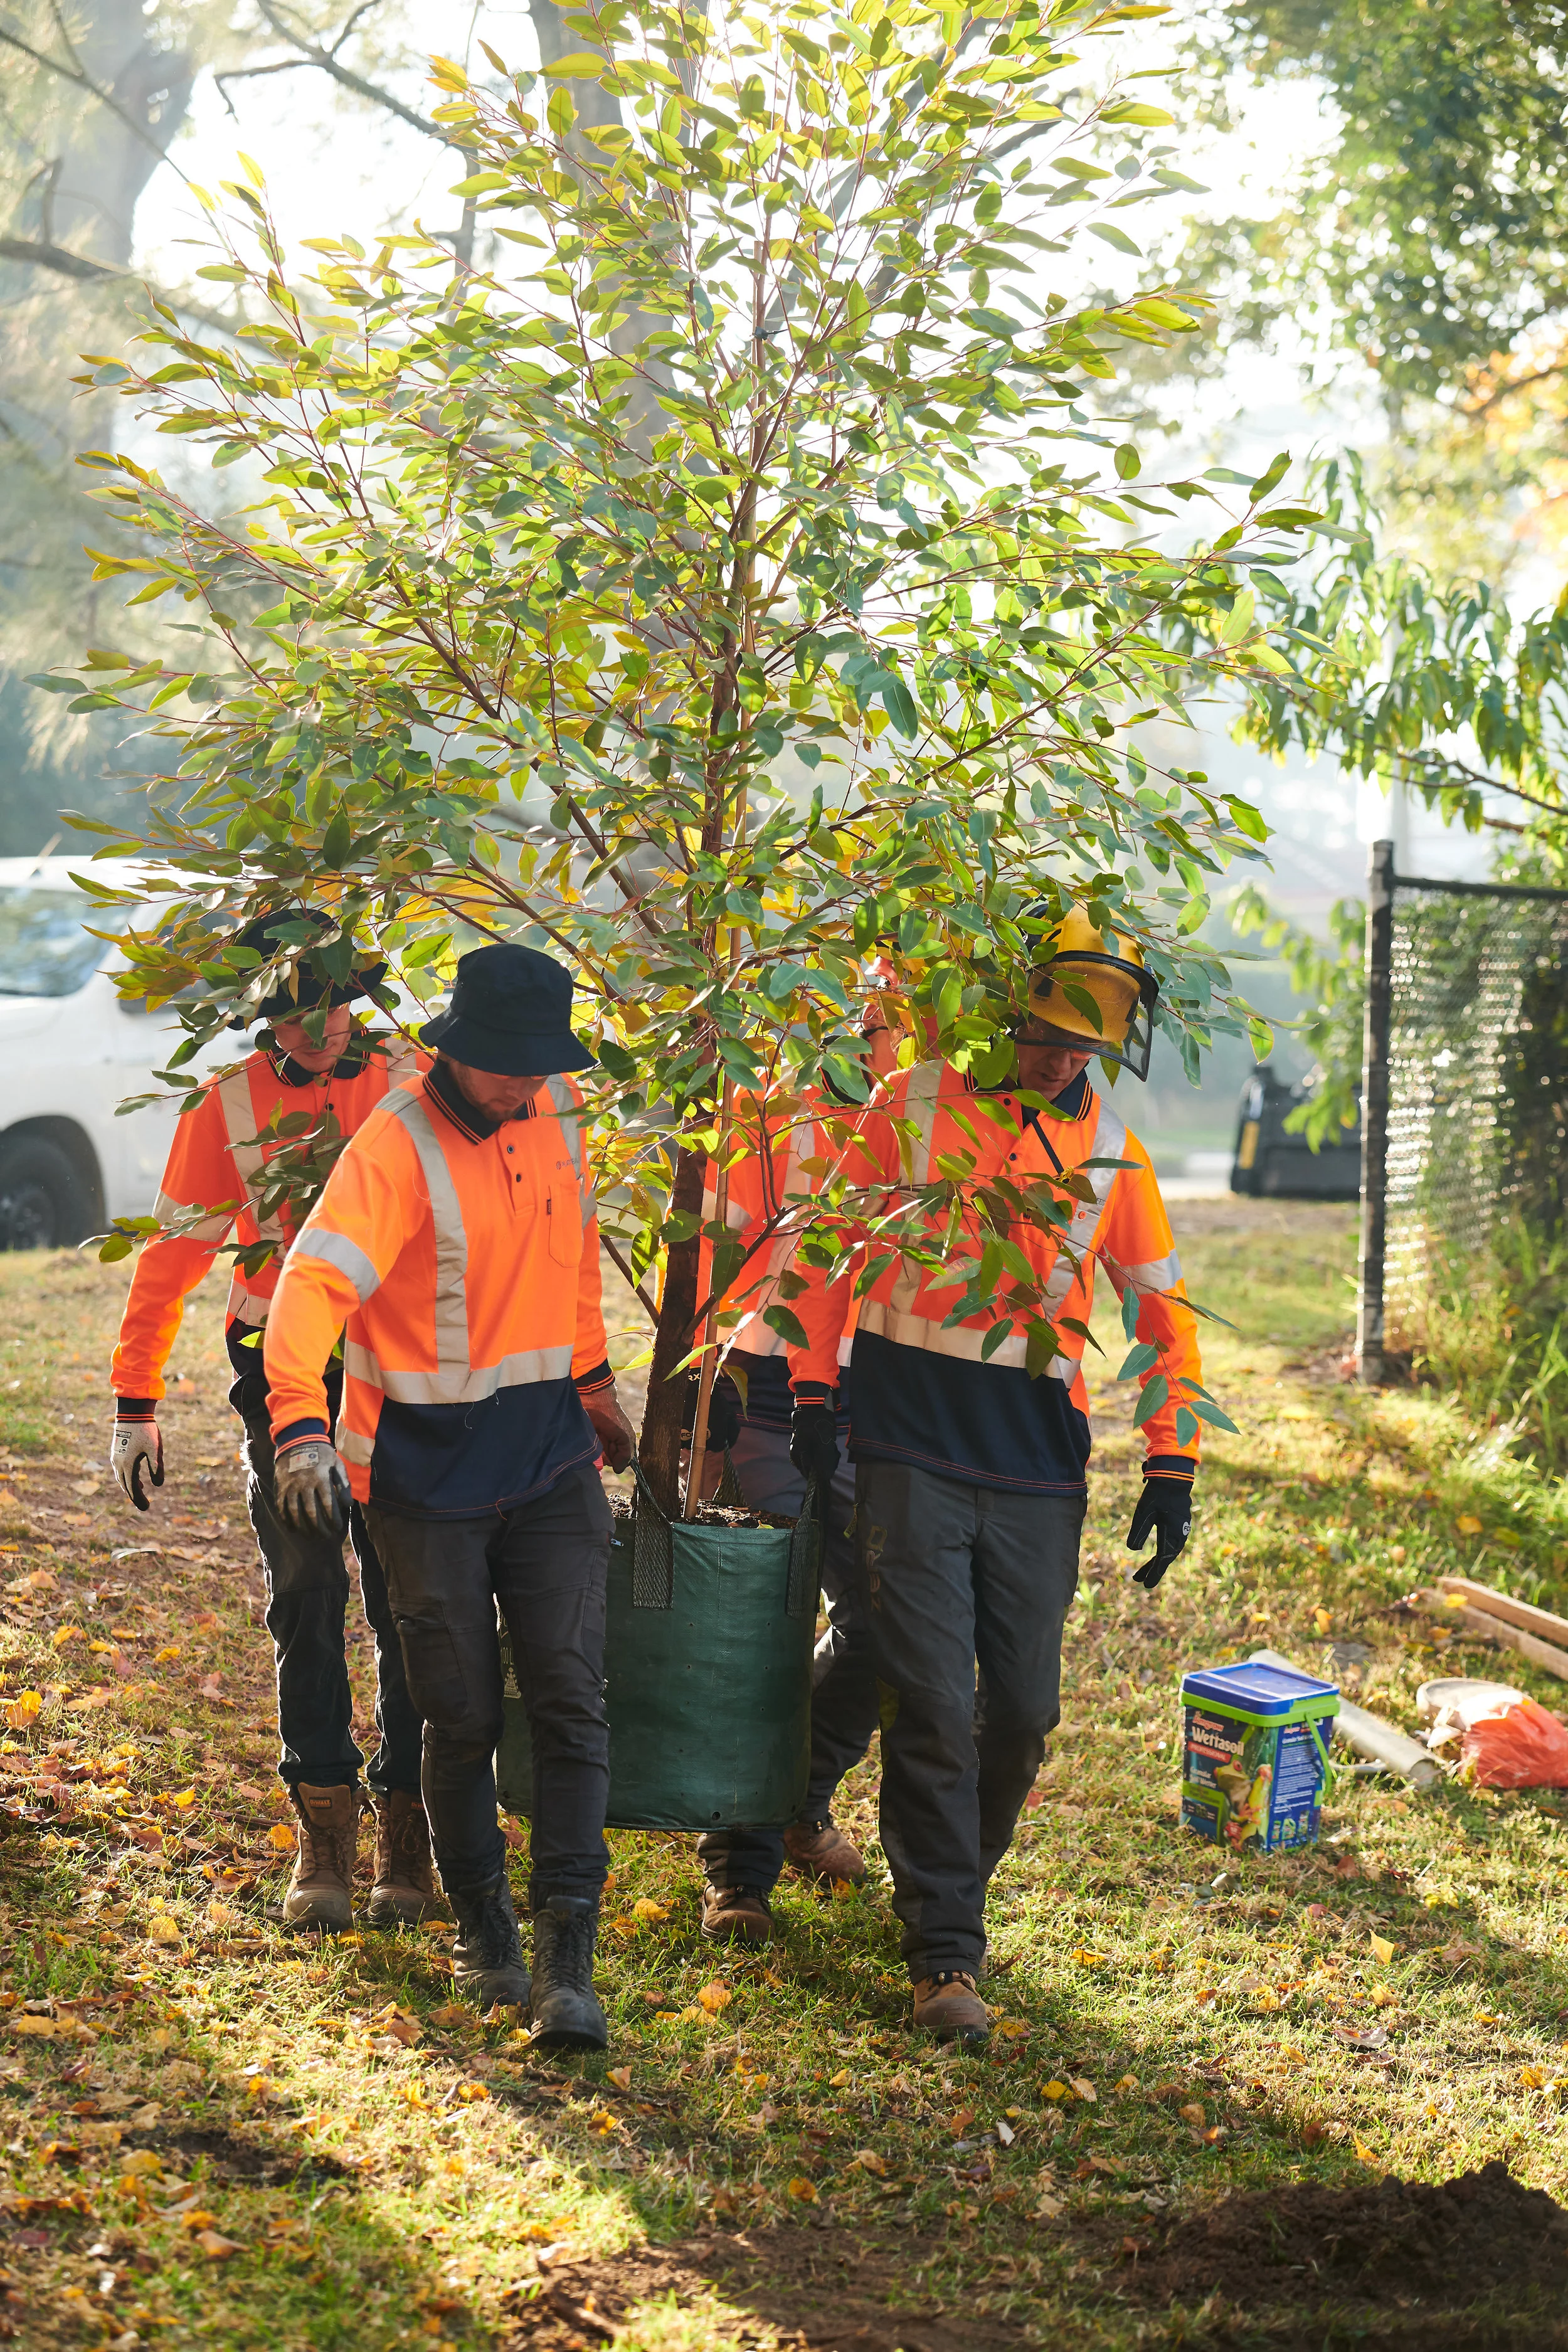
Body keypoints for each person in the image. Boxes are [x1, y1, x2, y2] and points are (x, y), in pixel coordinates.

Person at [786, 906, 1201, 2041]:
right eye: (1046, 1033)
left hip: (1032, 1458)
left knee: (1020, 1711)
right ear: (1004, 1012)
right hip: (906, 1438)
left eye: (1084, 1042)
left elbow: (1164, 1319)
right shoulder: (912, 1102)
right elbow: (829, 1246)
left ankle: (938, 1885)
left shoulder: (1112, 1150)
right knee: (926, 1694)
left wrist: (1174, 1455)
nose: (1062, 1057)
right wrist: (815, 1389)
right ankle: (944, 1953)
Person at [262, 943, 635, 2048]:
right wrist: (297, 1427)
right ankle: (486, 1933)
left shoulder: (557, 1107)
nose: (523, 1082)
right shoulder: (396, 1147)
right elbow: (314, 1281)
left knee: (571, 1695)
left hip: (550, 1456)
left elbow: (569, 1256)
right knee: (459, 1714)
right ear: (453, 1048)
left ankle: (570, 1954)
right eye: (504, 1064)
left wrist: (596, 1381)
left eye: (537, 1063)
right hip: (423, 1478)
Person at [109, 913, 435, 1934]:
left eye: (336, 1004)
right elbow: (171, 1255)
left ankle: (408, 1824)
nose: (324, 1029)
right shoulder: (228, 1106)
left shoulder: (413, 1074)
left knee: (406, 1598)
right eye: (300, 1013)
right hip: (276, 1368)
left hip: (401, 1366)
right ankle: (324, 1830)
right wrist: (135, 1399)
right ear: (266, 1017)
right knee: (306, 1591)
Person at [693, 989, 904, 1942]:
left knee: (884, 1622)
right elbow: (712, 1263)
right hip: (767, 1395)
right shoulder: (764, 1114)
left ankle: (798, 1800)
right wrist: (711, 1381)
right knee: (764, 1627)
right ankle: (738, 1867)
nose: (872, 1035)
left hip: (886, 1397)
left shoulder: (924, 1105)